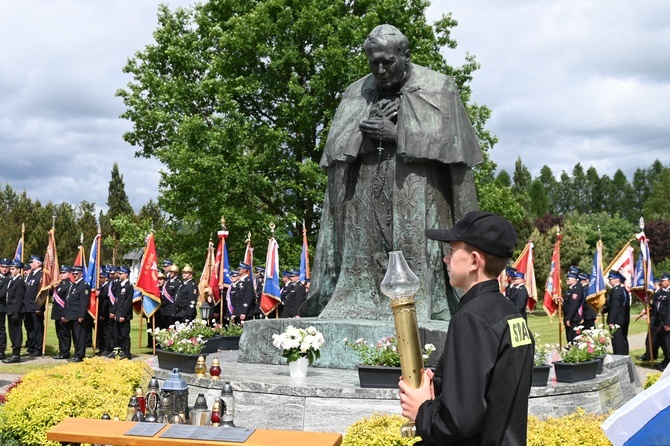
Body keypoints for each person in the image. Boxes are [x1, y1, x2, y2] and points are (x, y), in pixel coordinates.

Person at [304, 24, 483, 321]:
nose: (381, 70)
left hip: (418, 194)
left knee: (416, 259)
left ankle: (422, 307)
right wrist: (364, 138)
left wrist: (397, 134)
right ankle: (364, 304)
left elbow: (453, 150)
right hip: (366, 198)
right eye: (374, 62)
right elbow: (336, 152)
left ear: (405, 55)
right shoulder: (355, 94)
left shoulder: (438, 87)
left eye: (388, 61)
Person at [398, 211, 533, 445]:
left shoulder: (472, 318)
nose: (446, 259)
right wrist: (440, 385)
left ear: (473, 261)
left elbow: (459, 422)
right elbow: (495, 392)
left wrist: (422, 410)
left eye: (451, 251)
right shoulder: (509, 313)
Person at [63, 265, 91, 362]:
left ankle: (79, 355)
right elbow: (69, 301)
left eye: (76, 274)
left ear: (81, 274)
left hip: (78, 315)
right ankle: (76, 354)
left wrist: (81, 315)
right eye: (73, 274)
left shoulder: (84, 285)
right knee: (75, 336)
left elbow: (84, 302)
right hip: (71, 315)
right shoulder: (74, 285)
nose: (74, 275)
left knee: (79, 336)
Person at [603, 270, 631, 355]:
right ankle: (624, 356)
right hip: (623, 319)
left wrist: (611, 321)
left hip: (617, 320)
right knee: (622, 339)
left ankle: (619, 357)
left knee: (617, 341)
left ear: (616, 279)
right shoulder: (623, 290)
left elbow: (615, 307)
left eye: (610, 279)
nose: (609, 281)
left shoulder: (616, 290)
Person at [3, 260, 25, 364]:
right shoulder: (12, 280)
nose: (10, 271)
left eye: (12, 269)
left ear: (18, 270)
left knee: (16, 332)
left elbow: (19, 298)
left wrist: (16, 312)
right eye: (10, 269)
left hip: (16, 311)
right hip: (10, 309)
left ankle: (16, 354)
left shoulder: (19, 281)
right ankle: (13, 353)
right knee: (12, 332)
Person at [22, 255, 45, 357]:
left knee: (37, 329)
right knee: (29, 329)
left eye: (32, 262)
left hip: (36, 307)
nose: (30, 264)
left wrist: (40, 307)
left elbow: (43, 293)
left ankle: (38, 349)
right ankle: (31, 347)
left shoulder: (42, 276)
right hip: (27, 307)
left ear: (39, 263)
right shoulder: (30, 275)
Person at [110, 266, 134, 359]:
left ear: (126, 274)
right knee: (117, 334)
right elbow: (117, 300)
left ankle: (127, 352)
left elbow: (127, 303)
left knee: (124, 334)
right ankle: (118, 351)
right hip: (118, 313)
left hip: (124, 315)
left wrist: (122, 315)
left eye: (121, 274)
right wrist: (114, 312)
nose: (119, 275)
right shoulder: (119, 285)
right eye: (119, 274)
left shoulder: (129, 286)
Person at [51, 265, 72, 360]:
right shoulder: (60, 284)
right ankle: (61, 351)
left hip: (63, 313)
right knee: (59, 333)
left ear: (69, 274)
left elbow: (67, 302)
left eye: (64, 273)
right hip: (57, 313)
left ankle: (65, 352)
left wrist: (65, 315)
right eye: (61, 273)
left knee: (65, 334)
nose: (61, 274)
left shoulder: (69, 285)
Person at [651, 272, 669, 371]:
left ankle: (668, 363)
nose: (661, 282)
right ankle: (666, 360)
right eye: (661, 281)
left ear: (669, 282)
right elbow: (658, 309)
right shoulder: (663, 293)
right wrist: (658, 324)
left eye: (663, 280)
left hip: (666, 322)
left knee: (667, 343)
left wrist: (668, 323)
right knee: (663, 343)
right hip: (661, 322)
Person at [562, 267, 583, 343]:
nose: (566, 280)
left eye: (568, 279)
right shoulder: (571, 288)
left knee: (573, 338)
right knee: (569, 337)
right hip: (570, 316)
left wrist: (569, 318)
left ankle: (573, 351)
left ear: (574, 279)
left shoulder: (576, 289)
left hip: (573, 317)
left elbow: (573, 305)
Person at [0, 258, 11, 360]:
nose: (4, 269)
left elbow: (2, 294)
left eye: (6, 267)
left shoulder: (8, 279)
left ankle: (1, 350)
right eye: (2, 267)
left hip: (1, 308)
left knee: (1, 330)